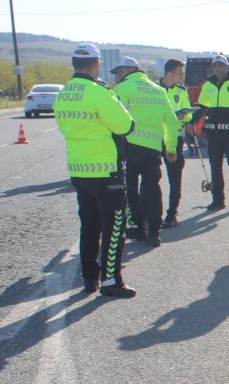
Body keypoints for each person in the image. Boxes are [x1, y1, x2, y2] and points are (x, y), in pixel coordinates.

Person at [53, 43, 137, 297]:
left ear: (74, 64)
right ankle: (111, 280)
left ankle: (90, 278)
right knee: (114, 227)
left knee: (88, 225)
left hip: (79, 169)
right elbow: (125, 126)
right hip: (106, 170)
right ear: (97, 63)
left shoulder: (64, 93)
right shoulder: (99, 92)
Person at [113, 57, 179, 247]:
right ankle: (155, 233)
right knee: (153, 189)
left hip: (129, 146)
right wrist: (171, 148)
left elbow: (114, 118)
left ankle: (138, 229)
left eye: (119, 72)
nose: (117, 76)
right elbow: (172, 122)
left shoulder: (122, 89)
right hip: (152, 149)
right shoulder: (158, 90)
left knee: (130, 189)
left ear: (127, 70)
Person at [194, 54, 229, 211]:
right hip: (213, 133)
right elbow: (202, 107)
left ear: (226, 67)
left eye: (220, 65)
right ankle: (218, 200)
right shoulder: (208, 85)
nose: (217, 68)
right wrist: (193, 122)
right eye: (215, 65)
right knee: (215, 167)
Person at [160, 59, 194, 228]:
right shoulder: (154, 89)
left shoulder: (181, 91)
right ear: (169, 74)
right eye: (180, 73)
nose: (182, 77)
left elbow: (189, 114)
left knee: (175, 177)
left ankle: (172, 213)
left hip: (176, 137)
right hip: (155, 137)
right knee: (150, 178)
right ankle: (149, 214)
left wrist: (184, 116)